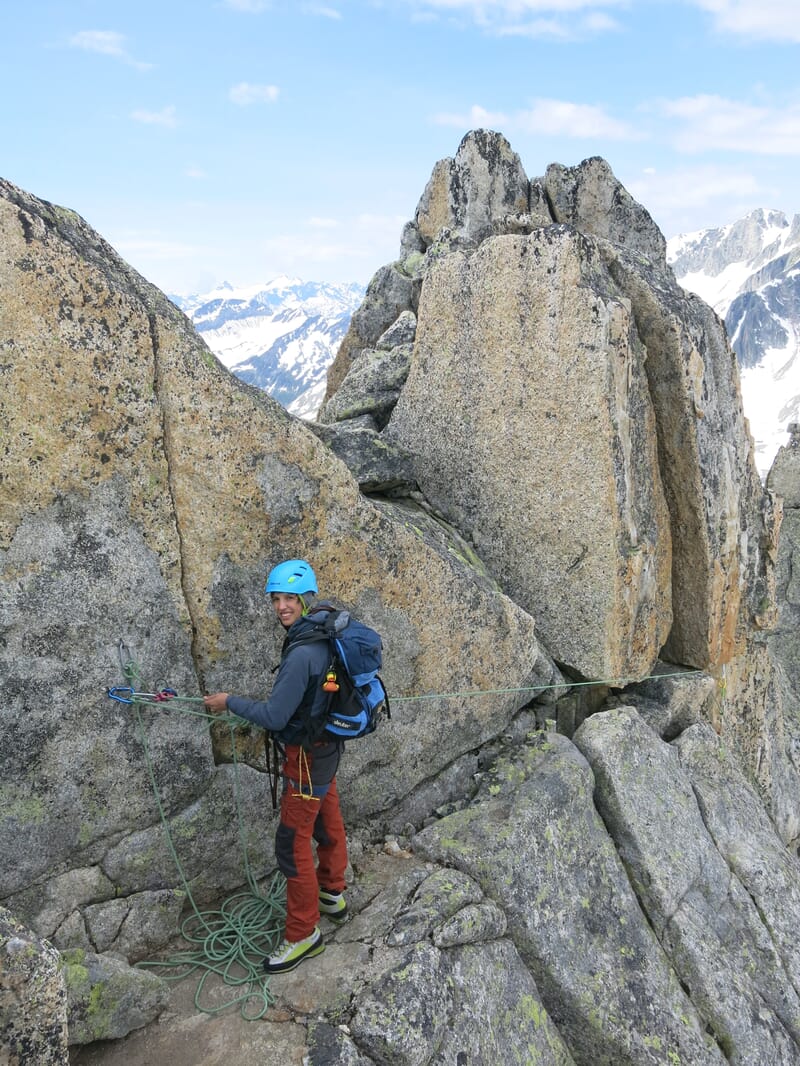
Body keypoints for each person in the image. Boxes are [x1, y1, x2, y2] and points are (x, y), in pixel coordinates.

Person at [204, 559, 349, 975]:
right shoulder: (325, 634)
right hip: (327, 749)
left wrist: (229, 701)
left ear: (306, 601)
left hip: (305, 758)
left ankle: (304, 933)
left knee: (291, 843)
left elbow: (274, 717)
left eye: (290, 599)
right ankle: (332, 893)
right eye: (277, 599)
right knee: (328, 819)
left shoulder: (302, 653)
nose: (282, 607)